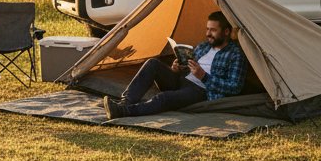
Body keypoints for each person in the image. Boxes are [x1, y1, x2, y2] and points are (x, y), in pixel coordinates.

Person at [102, 11, 246, 119]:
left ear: (226, 32)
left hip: (201, 90)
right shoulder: (204, 46)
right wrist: (177, 68)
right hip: (183, 80)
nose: (208, 34)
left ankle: (124, 112)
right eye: (207, 29)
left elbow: (234, 88)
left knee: (164, 98)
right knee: (152, 63)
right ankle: (124, 103)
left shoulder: (236, 54)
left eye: (213, 30)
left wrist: (204, 77)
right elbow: (189, 64)